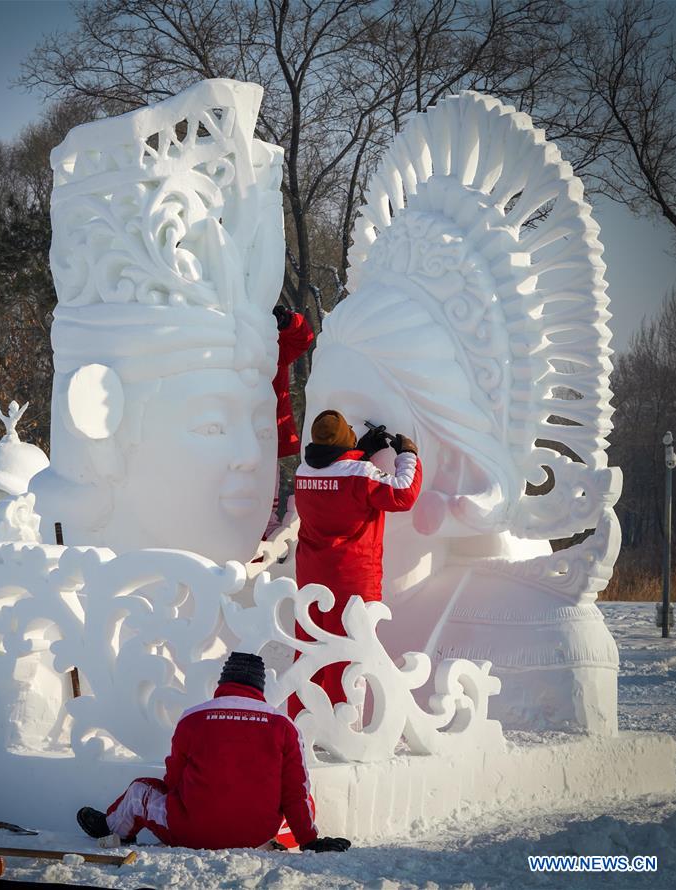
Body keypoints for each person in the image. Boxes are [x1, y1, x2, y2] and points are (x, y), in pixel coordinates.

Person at [76, 652, 351, 853]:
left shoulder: (192, 717)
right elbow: (295, 792)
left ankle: (112, 828)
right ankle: (275, 841)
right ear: (259, 688)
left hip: (191, 832)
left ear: (223, 682)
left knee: (140, 791)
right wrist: (309, 841)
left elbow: (173, 781)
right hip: (255, 834)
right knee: (303, 799)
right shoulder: (283, 725)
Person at [289, 410, 423, 717]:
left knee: (309, 652)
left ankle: (301, 721)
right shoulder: (361, 474)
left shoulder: (303, 472)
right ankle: (345, 726)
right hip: (352, 578)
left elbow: (335, 478)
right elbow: (403, 493)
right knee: (349, 657)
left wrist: (360, 452)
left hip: (311, 576)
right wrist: (408, 455)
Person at [266, 305, 314, 536]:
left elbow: (304, 337)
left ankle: (267, 534)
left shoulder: (272, 345)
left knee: (266, 491)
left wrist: (287, 321)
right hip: (225, 430)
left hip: (268, 430)